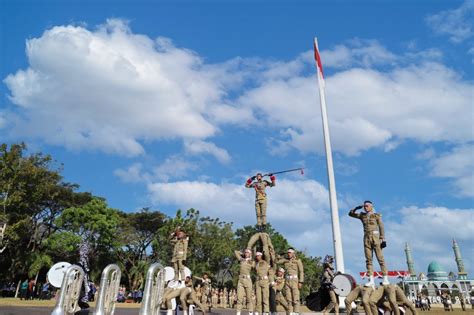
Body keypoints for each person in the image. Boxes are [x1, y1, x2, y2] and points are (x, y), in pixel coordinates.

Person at [349, 200, 389, 286]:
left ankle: (385, 278)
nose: (365, 207)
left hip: (376, 238)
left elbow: (381, 226)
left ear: (371, 206)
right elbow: (350, 214)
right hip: (366, 238)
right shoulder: (362, 215)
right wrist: (357, 207)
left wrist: (383, 239)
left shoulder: (376, 215)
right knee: (368, 260)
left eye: (367, 206)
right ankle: (371, 280)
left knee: (380, 258)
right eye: (364, 206)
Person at [277, 248, 304, 314]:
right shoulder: (285, 260)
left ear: (293, 253)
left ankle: (296, 312)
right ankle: (290, 312)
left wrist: (301, 281)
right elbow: (276, 261)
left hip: (295, 280)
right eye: (288, 253)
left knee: (295, 297)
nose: (288, 254)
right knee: (289, 299)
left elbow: (301, 271)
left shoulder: (297, 260)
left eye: (290, 253)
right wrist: (279, 255)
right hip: (287, 281)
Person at [235, 248, 255, 315]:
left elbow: (254, 267)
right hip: (240, 280)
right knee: (239, 298)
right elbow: (236, 252)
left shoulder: (251, 261)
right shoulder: (241, 260)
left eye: (248, 252)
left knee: (249, 298)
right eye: (245, 252)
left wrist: (250, 258)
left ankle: (250, 312)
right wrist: (242, 254)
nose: (246, 253)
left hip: (248, 280)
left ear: (250, 254)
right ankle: (238, 312)